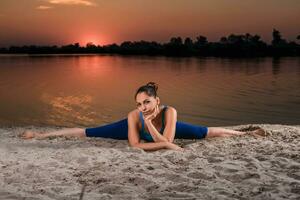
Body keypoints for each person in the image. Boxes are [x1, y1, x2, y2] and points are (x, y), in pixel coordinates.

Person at [21, 82, 266, 151]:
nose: (143, 107)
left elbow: (168, 140)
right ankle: (40, 134)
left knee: (208, 132)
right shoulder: (134, 115)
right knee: (88, 131)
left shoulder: (170, 111)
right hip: (132, 129)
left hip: (162, 128)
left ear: (156, 101)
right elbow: (136, 144)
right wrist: (144, 123)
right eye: (139, 104)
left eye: (147, 102)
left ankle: (247, 132)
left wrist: (153, 127)